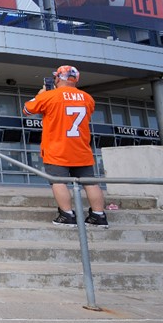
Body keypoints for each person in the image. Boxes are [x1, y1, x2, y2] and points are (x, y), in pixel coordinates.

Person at [23, 65, 109, 228]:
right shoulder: (87, 98)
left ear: (58, 78)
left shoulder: (49, 96)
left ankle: (67, 215)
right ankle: (99, 216)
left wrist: (40, 95)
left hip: (57, 148)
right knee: (90, 182)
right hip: (81, 148)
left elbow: (27, 110)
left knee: (59, 181)